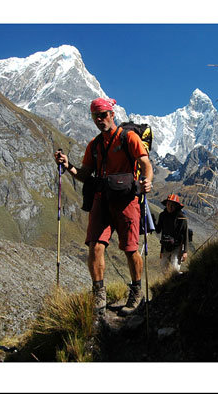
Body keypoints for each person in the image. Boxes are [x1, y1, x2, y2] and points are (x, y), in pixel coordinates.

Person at [54, 97, 153, 318]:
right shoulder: (94, 145)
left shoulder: (129, 137)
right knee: (95, 246)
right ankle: (99, 294)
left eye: (103, 115)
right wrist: (67, 165)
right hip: (101, 199)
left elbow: (145, 163)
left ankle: (136, 292)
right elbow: (84, 174)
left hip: (127, 200)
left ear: (112, 115)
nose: (100, 120)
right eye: (95, 116)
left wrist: (148, 181)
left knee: (130, 249)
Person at [155, 194, 188, 274]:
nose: (170, 207)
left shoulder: (182, 218)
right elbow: (159, 231)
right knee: (163, 268)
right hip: (166, 246)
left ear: (176, 206)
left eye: (172, 205)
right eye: (168, 204)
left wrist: (185, 251)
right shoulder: (162, 215)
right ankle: (166, 284)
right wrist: (162, 251)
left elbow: (185, 234)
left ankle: (176, 282)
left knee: (175, 267)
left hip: (177, 246)